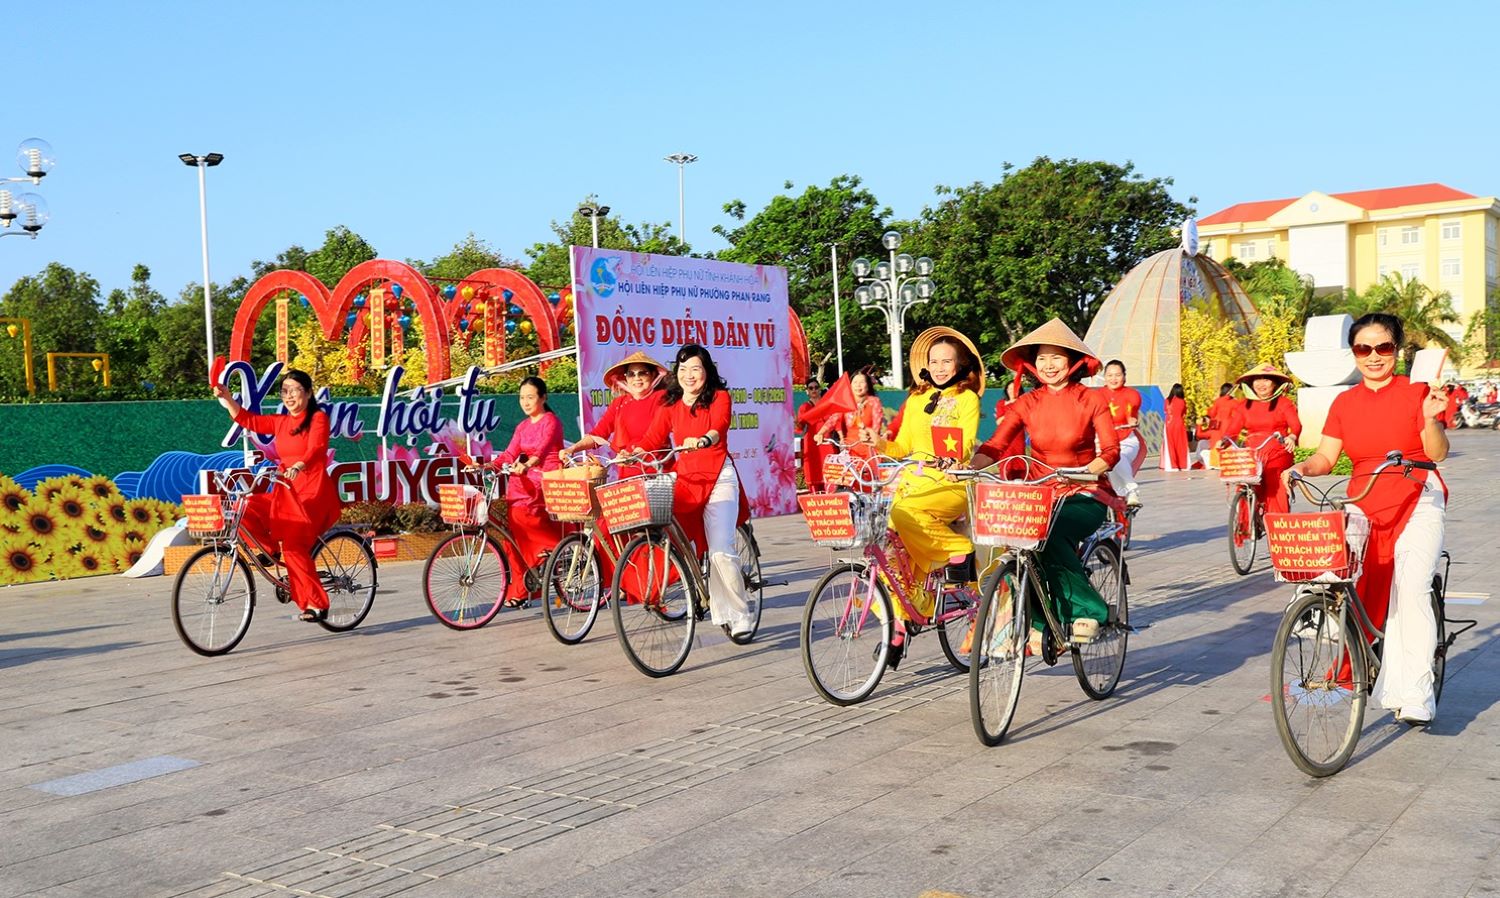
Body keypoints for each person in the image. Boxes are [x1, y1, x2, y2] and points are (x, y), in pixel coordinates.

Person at [1285, 313, 1448, 726]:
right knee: (1338, 577)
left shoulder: (1416, 393)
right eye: (1363, 348)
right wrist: (1301, 468)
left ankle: (1417, 694)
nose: (1373, 356)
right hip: (1364, 498)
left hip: (1417, 495)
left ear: (1397, 350)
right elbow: (1326, 456)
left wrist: (1431, 419)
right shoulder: (1344, 403)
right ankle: (1357, 650)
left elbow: (1438, 453)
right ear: (1353, 353)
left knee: (1410, 589)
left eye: (1383, 347)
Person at [972, 318, 1119, 650]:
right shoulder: (1027, 403)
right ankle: (1040, 621)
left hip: (1086, 494)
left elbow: (1111, 450)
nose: (1048, 365)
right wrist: (968, 467)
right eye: (1041, 358)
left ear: (1072, 361)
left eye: (1056, 357)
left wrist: (1086, 471)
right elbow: (995, 446)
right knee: (1018, 542)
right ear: (1032, 364)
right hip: (1041, 496)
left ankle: (1089, 610)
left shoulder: (1091, 399)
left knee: (1047, 532)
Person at [862, 327, 983, 664]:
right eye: (935, 361)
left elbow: (966, 444)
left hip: (950, 481)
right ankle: (899, 624)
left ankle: (958, 549)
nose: (940, 367)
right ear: (925, 365)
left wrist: (950, 459)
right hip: (912, 483)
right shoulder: (916, 399)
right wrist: (879, 442)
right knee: (887, 550)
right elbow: (903, 446)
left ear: (960, 365)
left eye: (947, 361)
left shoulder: (967, 399)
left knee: (904, 514)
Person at [632, 344, 755, 638]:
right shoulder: (670, 404)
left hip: (719, 477)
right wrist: (632, 453)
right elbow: (652, 438)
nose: (689, 375)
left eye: (696, 369)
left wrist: (703, 439)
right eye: (684, 369)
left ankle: (741, 614)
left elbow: (719, 427)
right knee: (663, 529)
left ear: (706, 371)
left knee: (720, 552)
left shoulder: (719, 397)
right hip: (686, 480)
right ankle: (690, 584)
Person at [212, 369, 342, 622]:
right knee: (244, 506)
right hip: (286, 490)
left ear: (308, 393)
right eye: (285, 391)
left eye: (295, 390)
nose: (289, 396)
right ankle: (270, 551)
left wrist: (299, 465)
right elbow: (249, 420)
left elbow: (316, 448)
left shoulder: (317, 418)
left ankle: (316, 604)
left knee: (294, 547)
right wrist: (227, 398)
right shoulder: (281, 422)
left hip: (313, 492)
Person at [491, 376, 565, 607]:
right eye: (522, 397)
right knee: (510, 538)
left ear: (543, 398)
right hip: (525, 478)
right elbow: (509, 454)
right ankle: (521, 589)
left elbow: (542, 450)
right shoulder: (522, 426)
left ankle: (550, 547)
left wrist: (529, 464)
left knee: (525, 515)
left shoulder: (551, 421)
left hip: (546, 477)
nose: (525, 402)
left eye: (530, 397)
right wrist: (487, 466)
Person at [560, 351, 667, 479]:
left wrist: (634, 454)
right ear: (625, 378)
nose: (637, 378)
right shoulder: (619, 403)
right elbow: (597, 435)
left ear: (654, 375)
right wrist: (571, 449)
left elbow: (655, 438)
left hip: (658, 474)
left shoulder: (662, 399)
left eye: (643, 373)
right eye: (631, 374)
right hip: (628, 477)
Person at [1221, 363, 1301, 515]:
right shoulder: (1244, 405)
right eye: (1257, 380)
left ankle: (1277, 522)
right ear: (1251, 383)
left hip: (1278, 452)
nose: (1261, 384)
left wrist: (1292, 436)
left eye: (1266, 379)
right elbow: (1233, 429)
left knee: (1274, 483)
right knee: (1245, 482)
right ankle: (1244, 523)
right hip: (1253, 453)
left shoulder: (1284, 403)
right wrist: (1225, 441)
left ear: (1275, 383)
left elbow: (1296, 424)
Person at [1097, 360, 1143, 505]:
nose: (1113, 379)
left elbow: (1132, 411)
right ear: (1104, 377)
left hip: (1125, 440)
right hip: (1103, 441)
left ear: (1124, 376)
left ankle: (1132, 489)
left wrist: (1132, 420)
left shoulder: (1132, 394)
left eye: (1117, 375)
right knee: (1115, 484)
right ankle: (1121, 501)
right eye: (1110, 375)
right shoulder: (1097, 396)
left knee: (1117, 456)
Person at [815, 368, 885, 459]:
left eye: (862, 382)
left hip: (870, 450)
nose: (858, 385)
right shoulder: (846, 402)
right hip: (850, 451)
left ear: (868, 385)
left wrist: (872, 436)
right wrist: (820, 433)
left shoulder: (874, 402)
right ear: (850, 385)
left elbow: (877, 427)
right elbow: (833, 420)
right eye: (855, 382)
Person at [796, 379, 834, 492]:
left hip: (827, 442)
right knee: (813, 473)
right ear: (807, 391)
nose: (814, 390)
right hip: (812, 443)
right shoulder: (804, 407)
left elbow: (835, 421)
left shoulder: (828, 405)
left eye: (816, 387)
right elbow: (800, 428)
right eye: (810, 388)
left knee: (830, 472)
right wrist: (795, 422)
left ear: (820, 389)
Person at [1197, 383, 1237, 468]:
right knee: (1228, 443)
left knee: (1214, 442)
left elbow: (1212, 413)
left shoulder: (1218, 401)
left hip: (1217, 425)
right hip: (1229, 426)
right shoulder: (1235, 402)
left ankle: (1215, 460)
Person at [1160, 383, 1191, 471]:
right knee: (1181, 444)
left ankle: (1173, 466)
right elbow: (1184, 413)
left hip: (1169, 424)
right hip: (1180, 424)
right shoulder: (1182, 401)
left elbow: (1165, 411)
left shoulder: (1167, 401)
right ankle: (1183, 465)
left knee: (1170, 444)